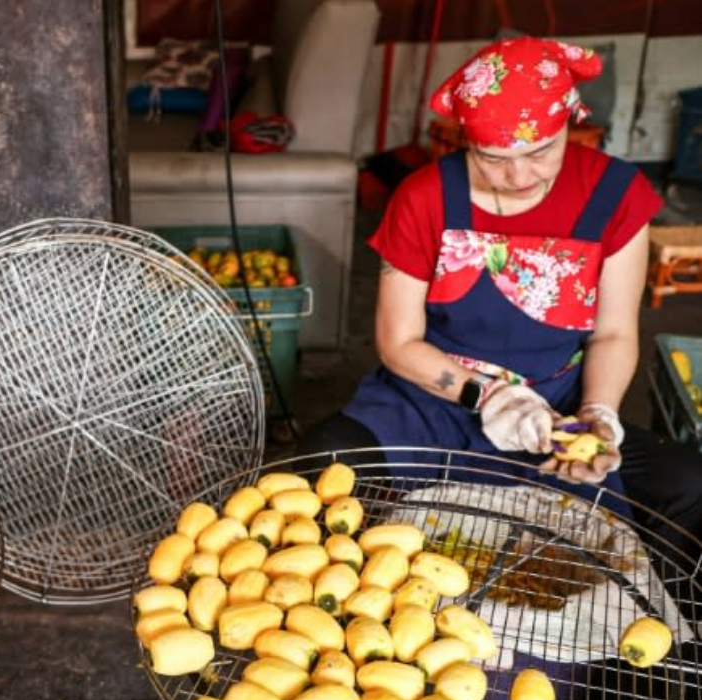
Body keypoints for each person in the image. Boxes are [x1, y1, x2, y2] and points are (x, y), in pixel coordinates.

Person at [299, 37, 702, 558]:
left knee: (689, 487)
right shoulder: (423, 198)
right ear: (465, 141)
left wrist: (598, 413)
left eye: (540, 152)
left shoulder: (615, 194)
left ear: (569, 125)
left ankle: (672, 636)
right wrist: (489, 396)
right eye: (492, 158)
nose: (518, 177)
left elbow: (615, 332)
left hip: (557, 412)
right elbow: (399, 342)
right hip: (428, 405)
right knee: (315, 468)